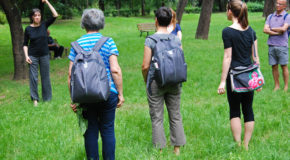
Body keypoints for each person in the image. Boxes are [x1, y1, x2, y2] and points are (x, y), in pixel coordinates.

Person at [68, 9, 124, 160]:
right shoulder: (108, 42)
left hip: (85, 95)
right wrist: (120, 93)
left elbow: (70, 75)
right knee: (107, 130)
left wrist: (74, 99)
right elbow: (115, 70)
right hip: (107, 93)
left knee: (90, 131)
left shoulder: (76, 45)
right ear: (101, 23)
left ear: (83, 24)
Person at [217, 0, 261, 150]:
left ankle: (238, 145)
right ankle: (246, 145)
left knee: (235, 110)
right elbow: (255, 57)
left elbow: (228, 57)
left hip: (234, 77)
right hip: (249, 77)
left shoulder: (227, 32)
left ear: (230, 11)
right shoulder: (251, 31)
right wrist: (258, 79)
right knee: (248, 109)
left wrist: (222, 81)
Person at [142, 7, 186, 155]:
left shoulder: (151, 40)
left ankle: (160, 151)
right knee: (175, 115)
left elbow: (145, 66)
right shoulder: (176, 39)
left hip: (156, 81)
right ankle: (177, 149)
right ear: (170, 21)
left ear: (156, 21)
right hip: (174, 81)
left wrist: (146, 80)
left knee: (157, 117)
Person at [23, 0, 58, 106]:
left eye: (39, 15)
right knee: (33, 77)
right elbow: (25, 44)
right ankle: (35, 99)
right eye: (35, 15)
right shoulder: (28, 29)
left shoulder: (44, 25)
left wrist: (47, 2)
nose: (37, 17)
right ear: (32, 17)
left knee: (45, 77)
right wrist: (26, 56)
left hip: (44, 55)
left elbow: (55, 15)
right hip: (32, 55)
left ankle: (47, 99)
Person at [263, 0, 289, 92]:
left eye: (280, 4)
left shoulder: (287, 16)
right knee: (274, 66)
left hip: (282, 45)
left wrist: (271, 29)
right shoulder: (270, 16)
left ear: (284, 6)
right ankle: (276, 86)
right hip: (271, 45)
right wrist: (277, 32)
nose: (277, 5)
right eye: (276, 3)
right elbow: (265, 30)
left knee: (283, 66)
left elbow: (283, 29)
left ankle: (286, 87)